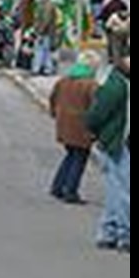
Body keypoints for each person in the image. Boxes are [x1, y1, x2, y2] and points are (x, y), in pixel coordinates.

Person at [85, 56, 130, 253]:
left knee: (116, 188)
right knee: (122, 190)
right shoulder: (117, 86)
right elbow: (96, 115)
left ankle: (108, 232)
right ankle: (124, 234)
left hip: (116, 142)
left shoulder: (119, 83)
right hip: (116, 143)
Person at [48, 52, 101, 205]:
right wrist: (96, 129)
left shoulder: (63, 80)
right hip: (81, 128)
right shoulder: (91, 85)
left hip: (64, 124)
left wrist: (55, 114)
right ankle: (70, 191)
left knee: (70, 155)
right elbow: (96, 109)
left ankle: (57, 186)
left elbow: (53, 98)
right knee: (79, 158)